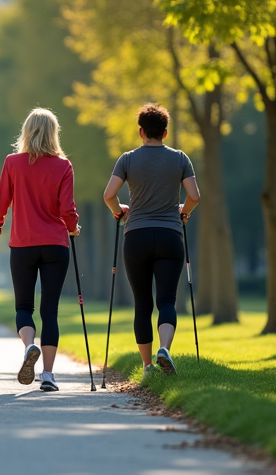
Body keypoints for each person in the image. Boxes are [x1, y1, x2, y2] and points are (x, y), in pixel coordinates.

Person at [103, 103, 198, 377]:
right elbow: (194, 195)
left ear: (141, 131)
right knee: (167, 301)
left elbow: (109, 195)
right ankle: (164, 349)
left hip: (137, 237)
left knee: (142, 303)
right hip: (170, 235)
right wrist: (184, 212)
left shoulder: (128, 159)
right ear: (165, 132)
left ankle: (147, 368)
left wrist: (118, 211)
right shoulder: (180, 159)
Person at [0, 108, 79, 392]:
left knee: (24, 307)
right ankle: (49, 375)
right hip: (55, 245)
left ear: (26, 132)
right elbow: (67, 209)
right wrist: (73, 227)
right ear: (54, 133)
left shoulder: (12, 163)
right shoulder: (63, 166)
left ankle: (30, 346)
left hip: (23, 245)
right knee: (50, 311)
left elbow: (2, 201)